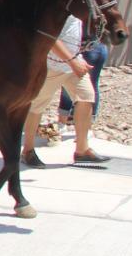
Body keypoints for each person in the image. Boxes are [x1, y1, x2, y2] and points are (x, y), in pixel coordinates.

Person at [21, 13, 108, 168]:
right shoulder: (55, 8)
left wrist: (77, 59)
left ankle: (82, 150)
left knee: (86, 97)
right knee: (36, 106)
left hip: (74, 64)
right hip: (51, 66)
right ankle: (27, 151)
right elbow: (50, 37)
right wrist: (73, 62)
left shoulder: (74, 8)